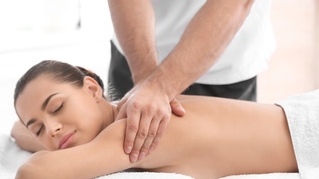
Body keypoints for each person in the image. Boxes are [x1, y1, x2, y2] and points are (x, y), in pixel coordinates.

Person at [12, 60, 301, 179]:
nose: (51, 129)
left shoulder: (136, 127)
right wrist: (53, 133)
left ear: (91, 89)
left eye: (57, 108)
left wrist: (46, 138)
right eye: (37, 128)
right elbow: (17, 129)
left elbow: (31, 177)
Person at [107, 0, 276, 163]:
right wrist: (145, 81)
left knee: (223, 173)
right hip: (135, 50)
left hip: (222, 66)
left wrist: (159, 88)